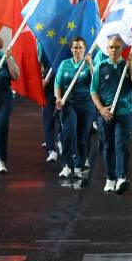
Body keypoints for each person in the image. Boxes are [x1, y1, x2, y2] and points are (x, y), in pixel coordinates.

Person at [89, 35, 132, 194]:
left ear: (122, 49)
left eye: (117, 47)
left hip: (124, 112)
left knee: (121, 144)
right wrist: (101, 109)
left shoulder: (129, 66)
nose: (114, 50)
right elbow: (93, 91)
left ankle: (121, 177)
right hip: (106, 113)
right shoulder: (100, 67)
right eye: (111, 47)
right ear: (107, 49)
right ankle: (110, 178)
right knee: (108, 145)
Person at [54, 37, 95, 180]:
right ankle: (67, 165)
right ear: (71, 49)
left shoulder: (90, 63)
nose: (77, 50)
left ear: (85, 49)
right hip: (69, 104)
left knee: (83, 136)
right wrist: (58, 99)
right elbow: (58, 84)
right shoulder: (64, 64)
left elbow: (97, 81)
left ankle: (79, 165)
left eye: (80, 48)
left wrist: (90, 65)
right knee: (68, 132)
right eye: (75, 47)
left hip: (86, 105)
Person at [0, 32, 19, 173]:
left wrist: (9, 59)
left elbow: (16, 76)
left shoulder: (4, 57)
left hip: (3, 99)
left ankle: (0, 160)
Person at [40, 53, 59, 163]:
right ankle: (51, 148)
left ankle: (61, 140)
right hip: (48, 87)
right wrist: (41, 78)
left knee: (63, 118)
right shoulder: (43, 41)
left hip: (64, 85)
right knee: (48, 117)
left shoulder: (65, 42)